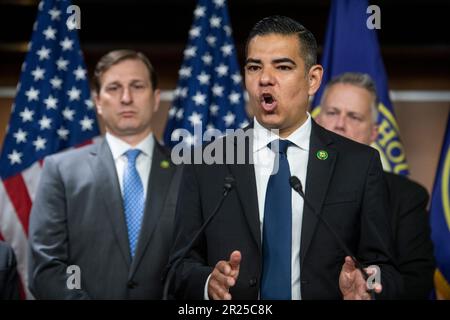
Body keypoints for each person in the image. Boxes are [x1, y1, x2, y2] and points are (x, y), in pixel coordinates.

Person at [169, 16, 401, 300]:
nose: (265, 79)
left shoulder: (359, 163)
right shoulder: (206, 162)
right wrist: (208, 283)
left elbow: (385, 269)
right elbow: (178, 269)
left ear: (313, 79)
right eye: (255, 67)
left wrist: (367, 282)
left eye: (283, 66)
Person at [29, 50, 182, 299]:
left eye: (137, 86)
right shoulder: (60, 170)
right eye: (113, 88)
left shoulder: (188, 172)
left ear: (156, 99)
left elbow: (197, 261)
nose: (126, 98)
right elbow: (46, 268)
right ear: (98, 101)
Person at [316, 72, 435, 299]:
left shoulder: (407, 197)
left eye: (354, 116)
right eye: (332, 113)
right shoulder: (288, 181)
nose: (340, 124)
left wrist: (368, 288)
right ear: (318, 121)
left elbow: (416, 278)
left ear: (374, 133)